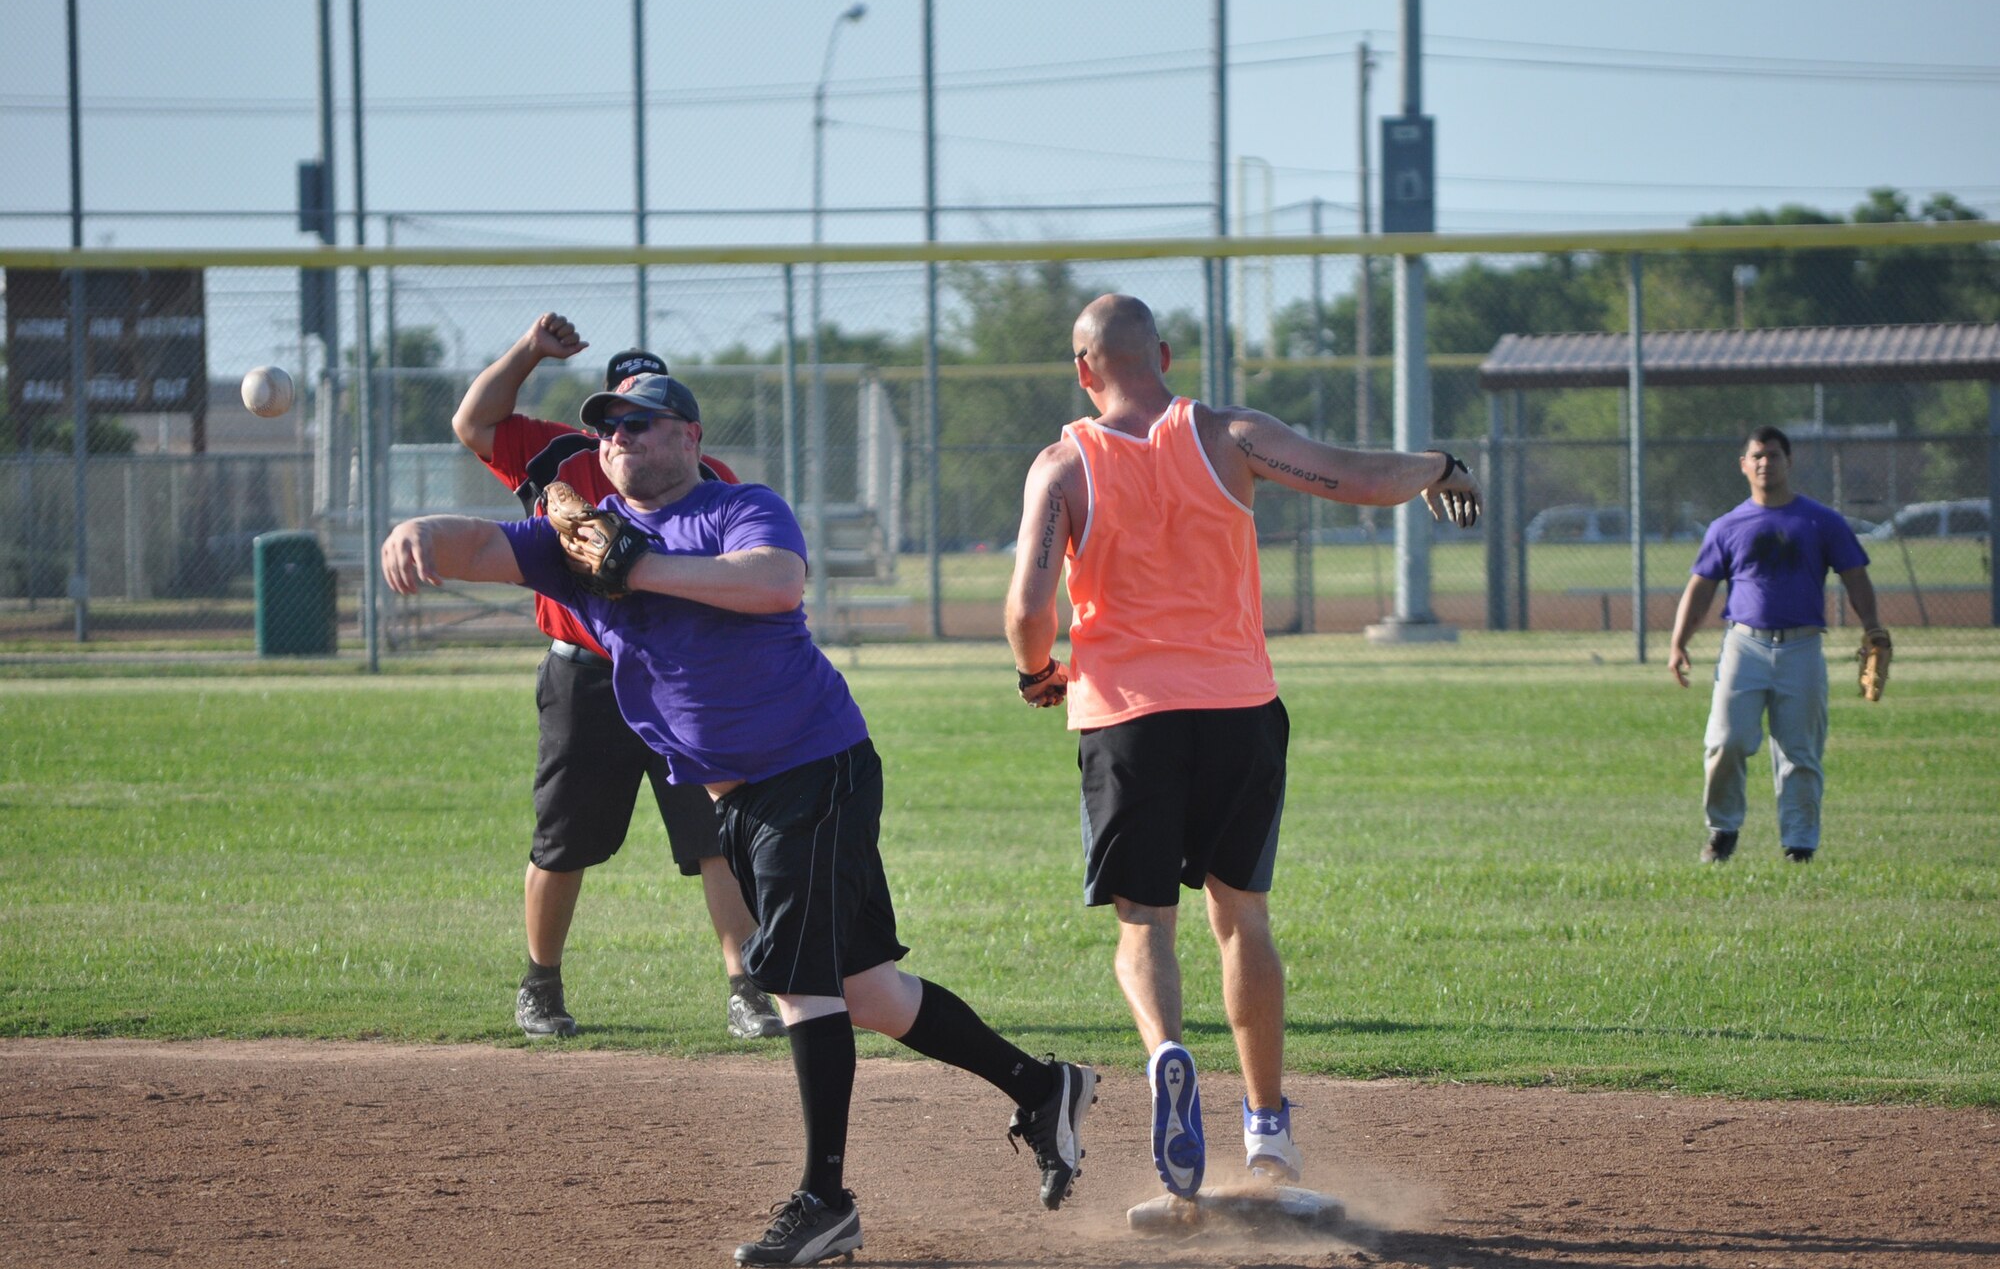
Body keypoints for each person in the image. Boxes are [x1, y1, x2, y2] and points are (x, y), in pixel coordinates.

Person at [387, 369, 1097, 1267]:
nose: (619, 439)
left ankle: (825, 1200)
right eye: (607, 428)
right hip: (747, 796)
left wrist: (638, 567)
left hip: (813, 767)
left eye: (641, 425)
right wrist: (416, 532)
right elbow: (478, 544)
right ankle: (1043, 1087)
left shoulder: (736, 509)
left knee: (801, 985)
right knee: (868, 991)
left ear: (688, 437)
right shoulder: (579, 540)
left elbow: (773, 581)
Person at [1001, 293, 1481, 1201]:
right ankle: (1267, 1130)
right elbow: (1354, 475)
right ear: (1167, 356)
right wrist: (1441, 465)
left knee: (1145, 922)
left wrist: (1037, 673)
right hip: (1239, 709)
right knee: (1241, 916)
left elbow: (1030, 609)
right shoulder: (1230, 435)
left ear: (1082, 370)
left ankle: (1167, 1057)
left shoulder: (1064, 463)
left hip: (1125, 718)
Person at [450, 312, 781, 1042]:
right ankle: (540, 984)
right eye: (617, 408)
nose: (626, 425)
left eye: (645, 408)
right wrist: (531, 350)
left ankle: (746, 988)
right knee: (562, 838)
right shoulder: (554, 452)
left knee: (715, 838)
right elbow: (473, 421)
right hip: (583, 677)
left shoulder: (709, 481)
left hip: (679, 674)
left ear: (677, 424)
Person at [1668, 425, 1885, 864]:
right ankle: (1722, 830)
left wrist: (1874, 627)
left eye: (1773, 455)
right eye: (1757, 456)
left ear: (1789, 462)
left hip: (1802, 648)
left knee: (1800, 750)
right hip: (1743, 645)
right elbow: (1701, 588)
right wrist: (1678, 643)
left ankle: (1800, 845)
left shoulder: (1820, 521)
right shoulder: (1728, 525)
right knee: (1725, 741)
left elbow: (1855, 575)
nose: (1766, 462)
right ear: (1744, 465)